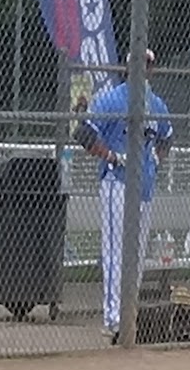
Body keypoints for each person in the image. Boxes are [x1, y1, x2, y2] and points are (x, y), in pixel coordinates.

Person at [74, 49, 174, 335]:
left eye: (148, 64)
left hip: (144, 186)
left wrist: (155, 159)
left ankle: (128, 315)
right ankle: (113, 319)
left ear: (151, 70)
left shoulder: (156, 104)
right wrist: (111, 156)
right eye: (138, 63)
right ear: (128, 68)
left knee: (137, 255)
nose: (143, 68)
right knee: (115, 250)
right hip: (116, 183)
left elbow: (167, 137)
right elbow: (83, 133)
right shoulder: (113, 99)